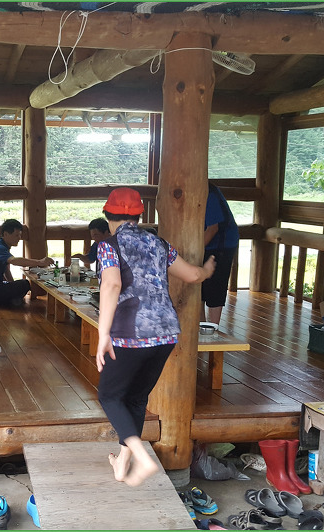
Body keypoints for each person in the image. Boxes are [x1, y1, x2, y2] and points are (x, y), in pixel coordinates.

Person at [94, 187, 215, 487]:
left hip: (130, 335)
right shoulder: (159, 243)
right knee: (136, 398)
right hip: (166, 333)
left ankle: (141, 456)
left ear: (107, 215)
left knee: (109, 396)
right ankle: (122, 464)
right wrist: (207, 269)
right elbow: (192, 275)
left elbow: (111, 285)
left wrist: (103, 333)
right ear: (139, 215)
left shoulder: (109, 245)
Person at [0, 219, 54, 306]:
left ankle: (12, 300)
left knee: (20, 285)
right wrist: (40, 262)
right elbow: (14, 261)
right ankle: (10, 301)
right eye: (16, 235)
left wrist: (12, 284)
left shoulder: (0, 244)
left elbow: (6, 269)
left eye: (20, 235)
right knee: (25, 284)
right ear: (6, 234)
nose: (19, 238)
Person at [201, 183, 239, 325]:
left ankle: (213, 329)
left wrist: (196, 250)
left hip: (222, 245)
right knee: (198, 290)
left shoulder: (208, 192)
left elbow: (213, 228)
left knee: (215, 289)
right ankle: (200, 328)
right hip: (205, 244)